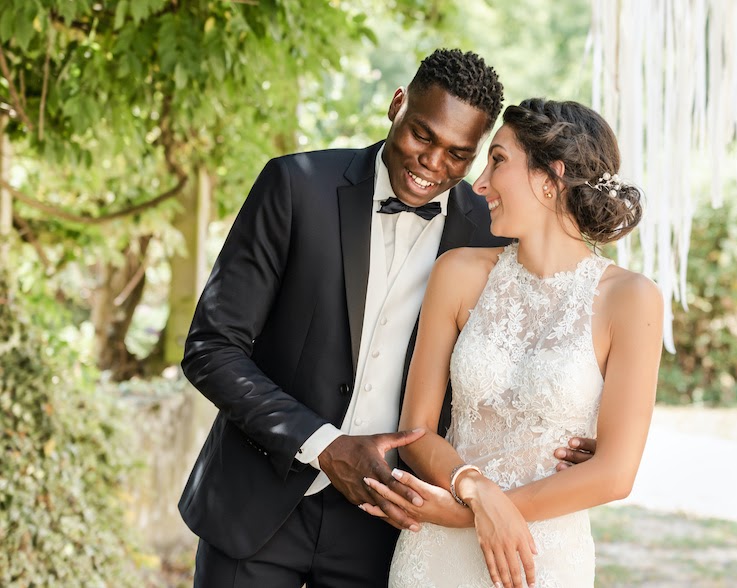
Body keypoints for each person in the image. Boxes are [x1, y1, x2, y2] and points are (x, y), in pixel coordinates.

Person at [178, 50, 595, 587]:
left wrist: (575, 435)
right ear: (397, 105)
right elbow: (211, 346)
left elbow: (538, 349)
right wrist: (324, 445)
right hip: (258, 503)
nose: (433, 164)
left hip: (395, 524)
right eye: (423, 136)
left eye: (458, 154)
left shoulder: (491, 236)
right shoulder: (295, 186)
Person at [359, 99, 664, 587]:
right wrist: (473, 490)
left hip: (542, 557)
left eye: (497, 160)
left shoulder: (631, 299)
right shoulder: (457, 273)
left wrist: (470, 516)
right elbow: (415, 432)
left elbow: (614, 474)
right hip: (435, 553)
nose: (478, 184)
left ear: (550, 178)